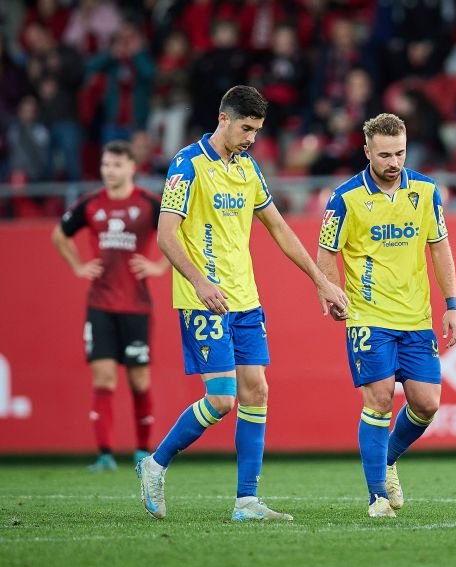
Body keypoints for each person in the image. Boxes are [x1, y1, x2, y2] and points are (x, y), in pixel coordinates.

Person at [135, 85, 347, 521]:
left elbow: (280, 228)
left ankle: (246, 501)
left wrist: (321, 281)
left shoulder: (248, 169)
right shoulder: (187, 166)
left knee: (257, 391)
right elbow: (166, 235)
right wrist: (198, 281)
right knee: (222, 398)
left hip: (246, 298)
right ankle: (154, 464)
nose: (252, 137)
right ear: (223, 119)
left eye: (258, 130)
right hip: (204, 301)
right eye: (246, 128)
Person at [317, 113, 456, 518]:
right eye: (384, 154)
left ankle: (388, 459)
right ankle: (377, 496)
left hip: (416, 318)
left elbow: (440, 249)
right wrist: (330, 291)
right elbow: (326, 252)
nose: (393, 162)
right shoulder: (344, 199)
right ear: (367, 151)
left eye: (399, 153)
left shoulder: (426, 191)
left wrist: (452, 306)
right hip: (368, 316)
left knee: (427, 404)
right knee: (379, 399)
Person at [52, 140, 169, 472]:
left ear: (132, 167)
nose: (110, 171)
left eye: (117, 165)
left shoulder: (148, 203)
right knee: (103, 378)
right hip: (100, 304)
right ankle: (104, 454)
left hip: (136, 306)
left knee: (139, 380)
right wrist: (77, 266)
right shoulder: (90, 204)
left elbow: (180, 235)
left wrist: (159, 266)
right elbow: (59, 235)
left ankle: (142, 451)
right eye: (105, 165)